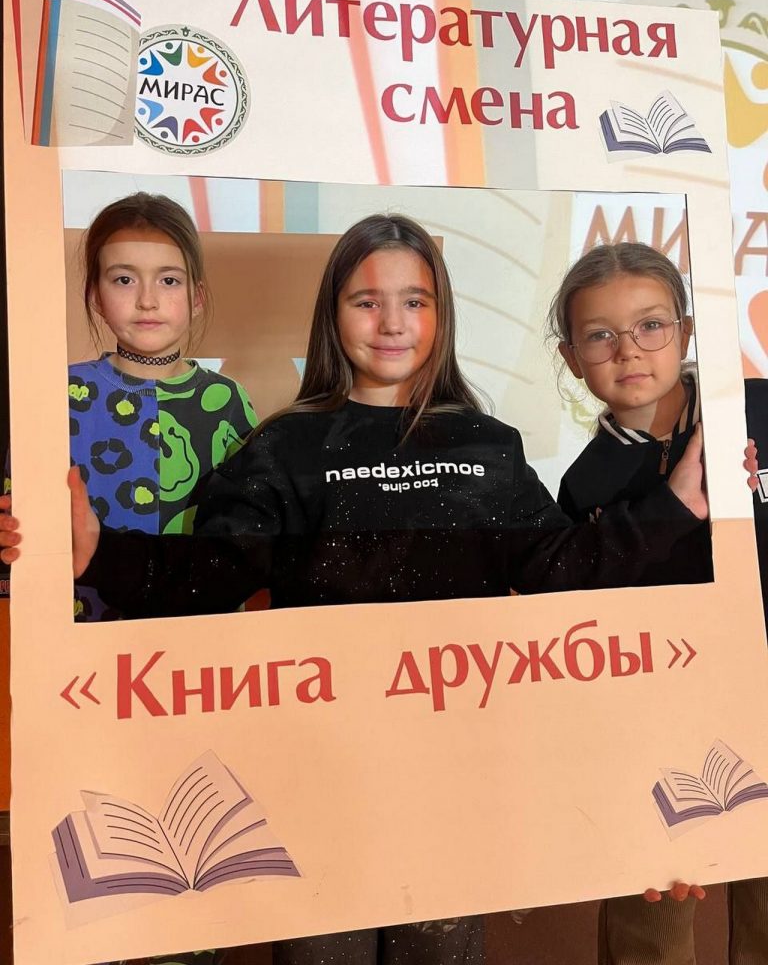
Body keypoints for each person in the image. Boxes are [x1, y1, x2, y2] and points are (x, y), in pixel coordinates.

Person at [0, 214, 707, 965]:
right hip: (318, 781)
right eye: (367, 301)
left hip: (453, 783)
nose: (392, 323)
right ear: (333, 315)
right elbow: (208, 576)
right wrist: (97, 553)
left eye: (415, 301)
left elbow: (562, 570)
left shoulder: (488, 445)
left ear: (440, 314)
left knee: (440, 951)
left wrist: (676, 507)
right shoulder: (285, 447)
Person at [548, 241, 715, 964]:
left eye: (651, 325)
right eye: (600, 336)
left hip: (759, 691)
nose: (629, 351)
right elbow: (581, 613)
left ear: (685, 328)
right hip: (653, 725)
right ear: (571, 356)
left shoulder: (751, 415)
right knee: (654, 916)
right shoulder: (585, 484)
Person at [67, 192, 257, 621]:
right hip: (85, 630)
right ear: (95, 295)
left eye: (168, 281)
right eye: (124, 279)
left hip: (200, 632)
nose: (147, 300)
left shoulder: (229, 401)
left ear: (197, 297)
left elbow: (248, 539)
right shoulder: (61, 393)